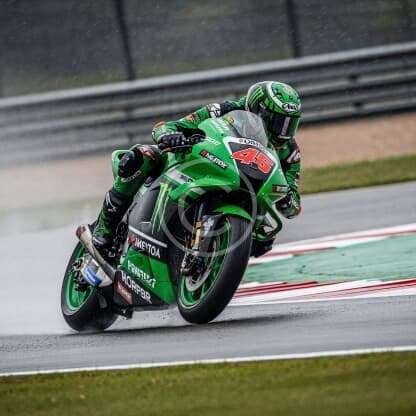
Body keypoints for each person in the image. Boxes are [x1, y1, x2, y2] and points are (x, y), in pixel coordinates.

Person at [92, 81, 302, 258]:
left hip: (247, 195)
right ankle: (105, 227)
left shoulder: (289, 152)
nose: (283, 133)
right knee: (141, 157)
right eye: (278, 122)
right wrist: (169, 136)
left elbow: (293, 201)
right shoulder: (225, 110)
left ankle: (213, 263)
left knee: (264, 239)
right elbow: (173, 125)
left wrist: (287, 200)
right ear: (257, 109)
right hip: (204, 164)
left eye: (289, 125)